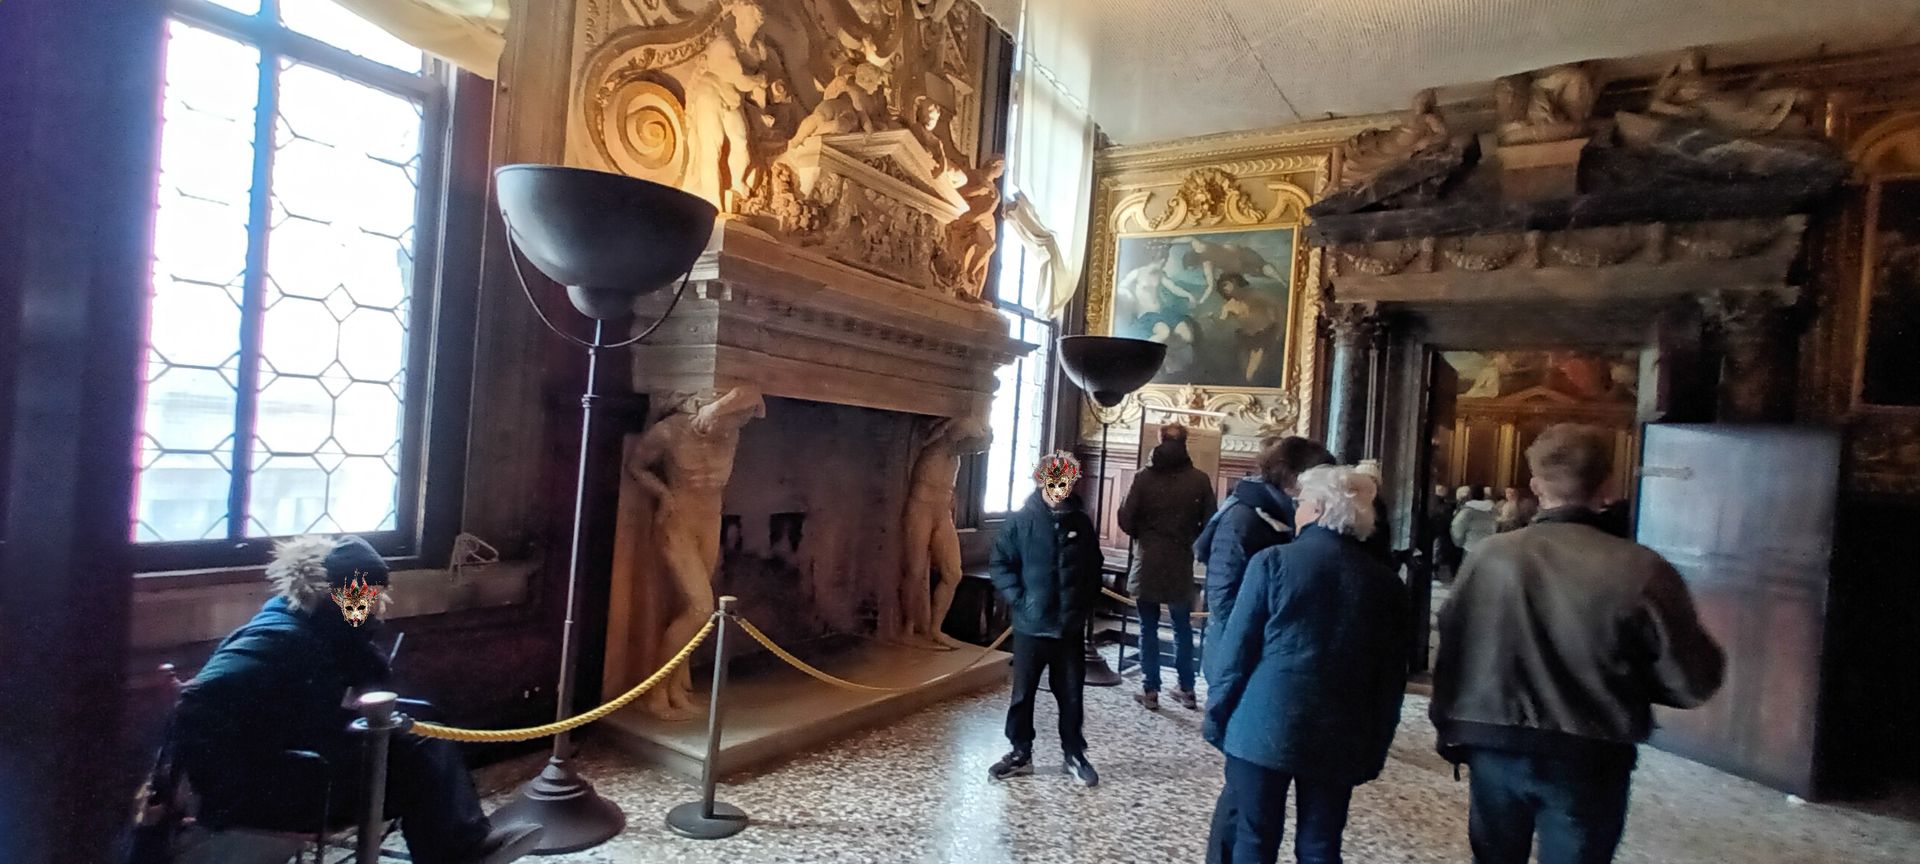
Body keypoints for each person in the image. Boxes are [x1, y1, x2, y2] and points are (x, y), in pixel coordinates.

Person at [1431, 424, 1725, 864]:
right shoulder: (1641, 568)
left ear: (1535, 486)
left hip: (1493, 741)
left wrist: (1449, 725)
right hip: (1589, 751)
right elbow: (1692, 681)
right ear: (1608, 487)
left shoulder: (1489, 556)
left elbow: (1453, 650)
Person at [172, 536, 542, 864]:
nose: (369, 604)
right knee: (417, 755)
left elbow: (309, 705)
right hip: (252, 787)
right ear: (337, 591)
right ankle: (458, 852)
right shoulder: (288, 640)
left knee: (424, 729)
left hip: (273, 763)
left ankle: (461, 843)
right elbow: (206, 704)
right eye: (364, 594)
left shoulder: (303, 622)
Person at [1205, 466, 1409, 864]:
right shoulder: (1387, 585)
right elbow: (1390, 679)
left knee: (1254, 840)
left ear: (1317, 508)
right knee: (1321, 845)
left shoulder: (1272, 562)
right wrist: (1377, 743)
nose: (1295, 511)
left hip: (1262, 725)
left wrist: (1217, 716)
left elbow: (1237, 652)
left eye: (1300, 504)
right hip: (1341, 731)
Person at [1195, 435, 1334, 864]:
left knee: (1250, 790)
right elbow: (1223, 601)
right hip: (1240, 659)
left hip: (1266, 661)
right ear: (1295, 479)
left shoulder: (1278, 514)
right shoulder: (1244, 516)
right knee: (1243, 790)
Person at [987, 451, 1106, 787]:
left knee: (1071, 694)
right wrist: (1019, 598)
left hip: (1069, 628)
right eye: (1053, 482)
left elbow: (1093, 565)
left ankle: (1074, 753)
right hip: (1031, 624)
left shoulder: (1081, 522)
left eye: (1065, 483)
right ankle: (1020, 751)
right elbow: (1000, 563)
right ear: (1041, 481)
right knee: (1023, 694)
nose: (1059, 489)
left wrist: (1084, 603)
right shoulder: (1020, 522)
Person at [1117, 423, 1218, 711]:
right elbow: (1211, 521)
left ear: (1160, 440)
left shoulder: (1143, 477)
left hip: (1147, 558)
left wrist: (1145, 536)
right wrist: (1189, 540)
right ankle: (1187, 688)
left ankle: (1150, 690)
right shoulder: (1199, 480)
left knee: (1147, 626)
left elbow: (1125, 518)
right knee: (1182, 627)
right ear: (1186, 442)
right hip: (1181, 559)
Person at [1450, 486, 1498, 556]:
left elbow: (1457, 527)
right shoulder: (1493, 510)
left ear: (1470, 495)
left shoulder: (1467, 511)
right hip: (1488, 547)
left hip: (1471, 548)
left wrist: (1459, 543)